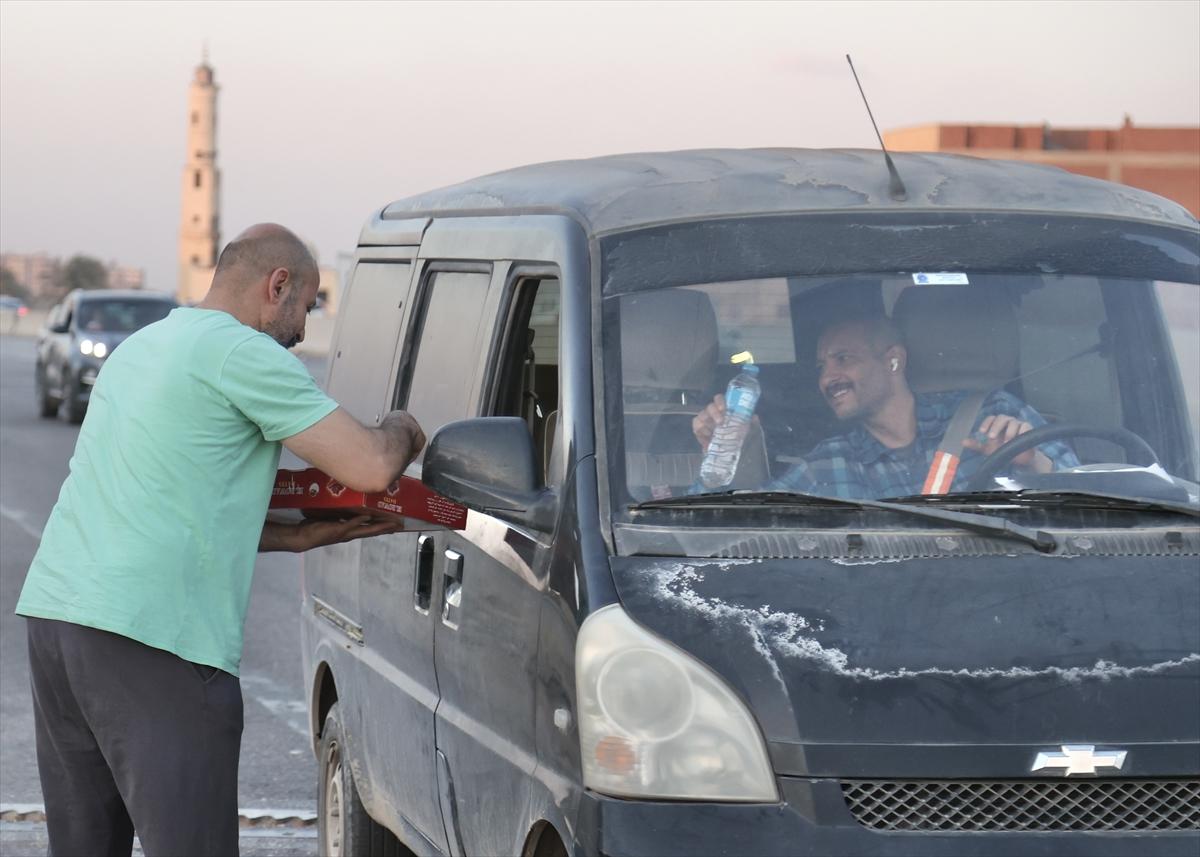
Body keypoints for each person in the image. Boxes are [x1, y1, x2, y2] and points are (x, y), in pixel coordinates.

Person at [15, 224, 426, 856]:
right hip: (152, 638)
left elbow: (163, 502)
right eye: (307, 307)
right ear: (277, 285)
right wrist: (403, 427)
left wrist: (303, 535)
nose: (304, 331)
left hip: (58, 622)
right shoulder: (243, 353)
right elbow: (372, 466)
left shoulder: (143, 348)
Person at [692, 314, 1078, 499]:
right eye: (822, 366)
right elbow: (738, 534)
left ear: (894, 360)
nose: (828, 378)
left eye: (844, 359)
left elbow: (1090, 497)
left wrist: (1034, 464)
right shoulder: (828, 466)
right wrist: (721, 457)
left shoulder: (991, 413)